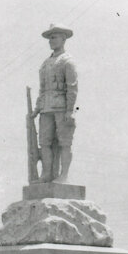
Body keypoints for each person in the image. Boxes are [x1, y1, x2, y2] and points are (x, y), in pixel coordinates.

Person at [32, 23, 78, 183]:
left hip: (62, 107)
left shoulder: (67, 61)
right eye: (50, 38)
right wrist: (37, 108)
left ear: (63, 39)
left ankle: (63, 175)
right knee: (44, 142)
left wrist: (70, 111)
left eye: (54, 37)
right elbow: (42, 88)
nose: (51, 40)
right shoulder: (45, 63)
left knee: (64, 142)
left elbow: (72, 88)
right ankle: (47, 174)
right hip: (46, 108)